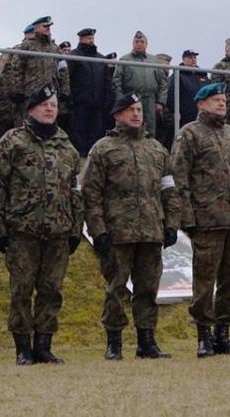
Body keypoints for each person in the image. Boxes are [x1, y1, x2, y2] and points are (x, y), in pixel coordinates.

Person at [0, 83, 83, 365]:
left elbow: (76, 192)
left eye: (53, 105)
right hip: (22, 230)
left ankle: (44, 345)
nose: (50, 109)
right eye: (44, 105)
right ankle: (22, 348)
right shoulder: (12, 141)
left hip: (58, 232)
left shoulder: (67, 147)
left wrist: (76, 229)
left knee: (51, 291)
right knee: (22, 289)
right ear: (31, 109)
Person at [82, 92, 181, 360]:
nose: (136, 114)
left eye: (138, 109)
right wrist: (98, 230)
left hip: (151, 231)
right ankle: (114, 342)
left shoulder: (157, 149)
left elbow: (169, 191)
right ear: (117, 116)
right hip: (117, 232)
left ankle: (146, 341)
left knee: (148, 288)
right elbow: (90, 194)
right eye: (129, 110)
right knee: (116, 288)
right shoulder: (103, 148)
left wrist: (172, 225)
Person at [170, 82, 230, 358]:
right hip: (208, 219)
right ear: (201, 104)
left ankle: (223, 333)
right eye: (216, 100)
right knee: (205, 280)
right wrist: (186, 217)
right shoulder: (189, 134)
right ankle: (203, 335)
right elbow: (179, 178)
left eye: (223, 99)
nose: (222, 103)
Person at [5, 16, 70, 124]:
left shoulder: (55, 48)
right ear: (36, 28)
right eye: (45, 26)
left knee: (49, 125)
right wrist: (17, 91)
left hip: (50, 94)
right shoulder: (26, 46)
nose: (48, 28)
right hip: (31, 94)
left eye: (49, 26)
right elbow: (16, 69)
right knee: (28, 125)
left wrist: (65, 91)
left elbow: (63, 70)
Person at [112, 31, 167, 138]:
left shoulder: (154, 61)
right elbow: (116, 82)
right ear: (132, 44)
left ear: (146, 44)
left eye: (142, 42)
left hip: (150, 100)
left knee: (149, 128)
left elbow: (163, 83)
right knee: (129, 126)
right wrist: (121, 101)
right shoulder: (125, 60)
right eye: (136, 42)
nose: (139, 44)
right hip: (131, 99)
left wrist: (161, 101)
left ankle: (150, 152)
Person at [68, 28, 109, 157]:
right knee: (78, 131)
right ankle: (79, 157)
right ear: (81, 39)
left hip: (97, 102)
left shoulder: (100, 59)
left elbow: (106, 81)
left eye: (92, 38)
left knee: (96, 132)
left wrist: (106, 99)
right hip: (79, 102)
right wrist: (70, 99)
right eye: (88, 38)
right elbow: (67, 79)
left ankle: (93, 157)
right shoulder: (73, 56)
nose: (91, 41)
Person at [165, 49, 209, 148]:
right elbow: (171, 96)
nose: (193, 60)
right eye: (190, 57)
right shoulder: (178, 75)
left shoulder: (203, 76)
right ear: (183, 59)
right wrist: (176, 112)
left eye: (194, 57)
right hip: (185, 118)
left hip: (202, 117)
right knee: (184, 144)